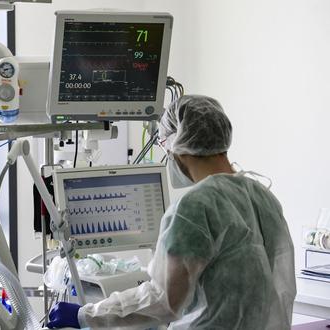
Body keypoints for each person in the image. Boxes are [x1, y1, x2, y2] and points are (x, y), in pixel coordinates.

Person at [47, 95, 296, 329]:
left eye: (165, 147)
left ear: (179, 146)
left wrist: (85, 315)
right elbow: (282, 286)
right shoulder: (262, 197)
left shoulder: (196, 207)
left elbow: (164, 300)